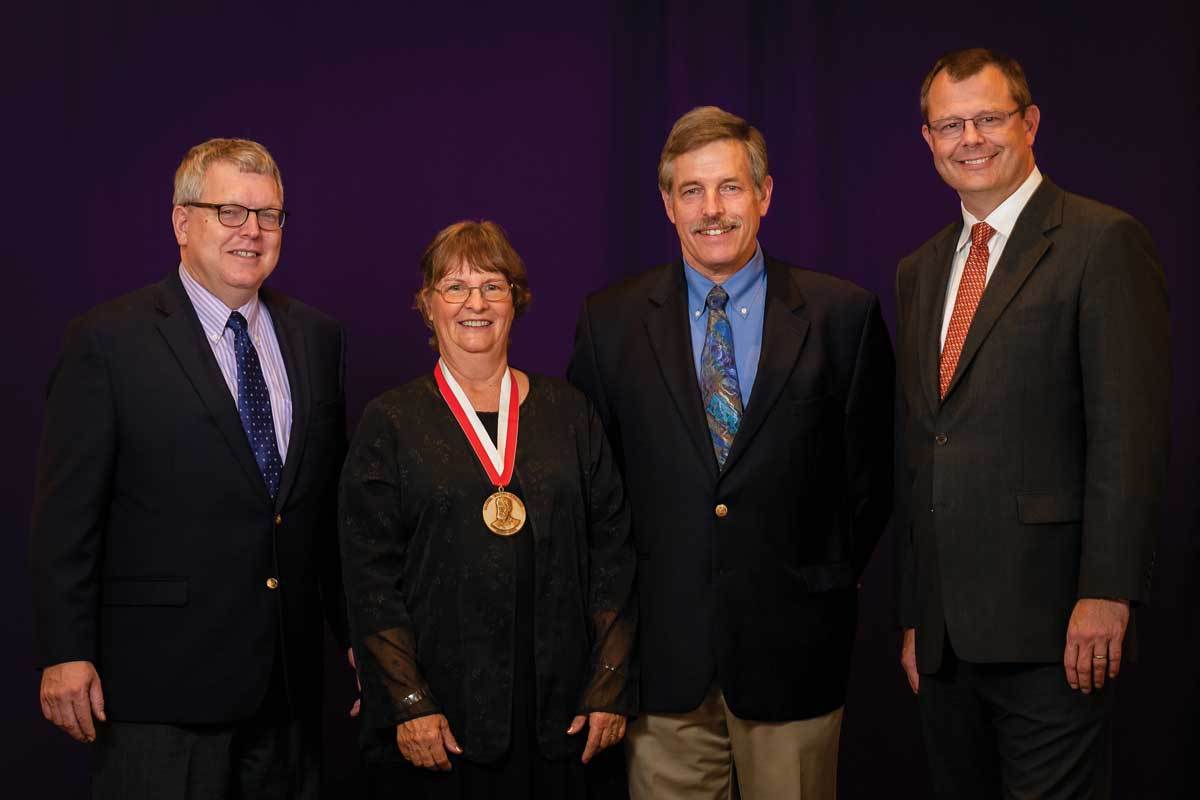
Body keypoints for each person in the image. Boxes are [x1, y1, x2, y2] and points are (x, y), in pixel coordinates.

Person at [568, 106, 894, 799]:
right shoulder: (610, 323)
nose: (711, 210)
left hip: (797, 654)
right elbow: (594, 492)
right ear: (666, 204)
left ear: (765, 195)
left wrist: (812, 573)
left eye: (731, 188)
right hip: (663, 663)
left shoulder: (843, 317)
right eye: (692, 191)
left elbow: (870, 482)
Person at [30, 138, 353, 797]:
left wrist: (362, 634)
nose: (253, 232)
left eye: (269, 215)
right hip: (160, 689)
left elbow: (323, 515)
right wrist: (66, 650)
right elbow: (66, 517)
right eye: (230, 212)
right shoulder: (108, 340)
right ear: (183, 222)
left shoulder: (316, 337)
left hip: (286, 688)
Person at [893, 48, 1169, 798]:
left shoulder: (1100, 242)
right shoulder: (920, 269)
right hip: (947, 640)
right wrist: (920, 615)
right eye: (950, 125)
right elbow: (921, 448)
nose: (970, 139)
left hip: (1056, 628)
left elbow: (1129, 435)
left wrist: (1108, 590)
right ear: (928, 140)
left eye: (989, 118)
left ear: (1031, 122)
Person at [340, 220, 636, 798]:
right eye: (454, 287)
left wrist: (609, 684)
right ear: (427, 306)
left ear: (516, 301)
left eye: (493, 286)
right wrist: (407, 702)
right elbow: (369, 577)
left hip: (562, 716)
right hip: (442, 722)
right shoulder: (391, 422)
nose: (475, 303)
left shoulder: (570, 412)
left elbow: (614, 555)